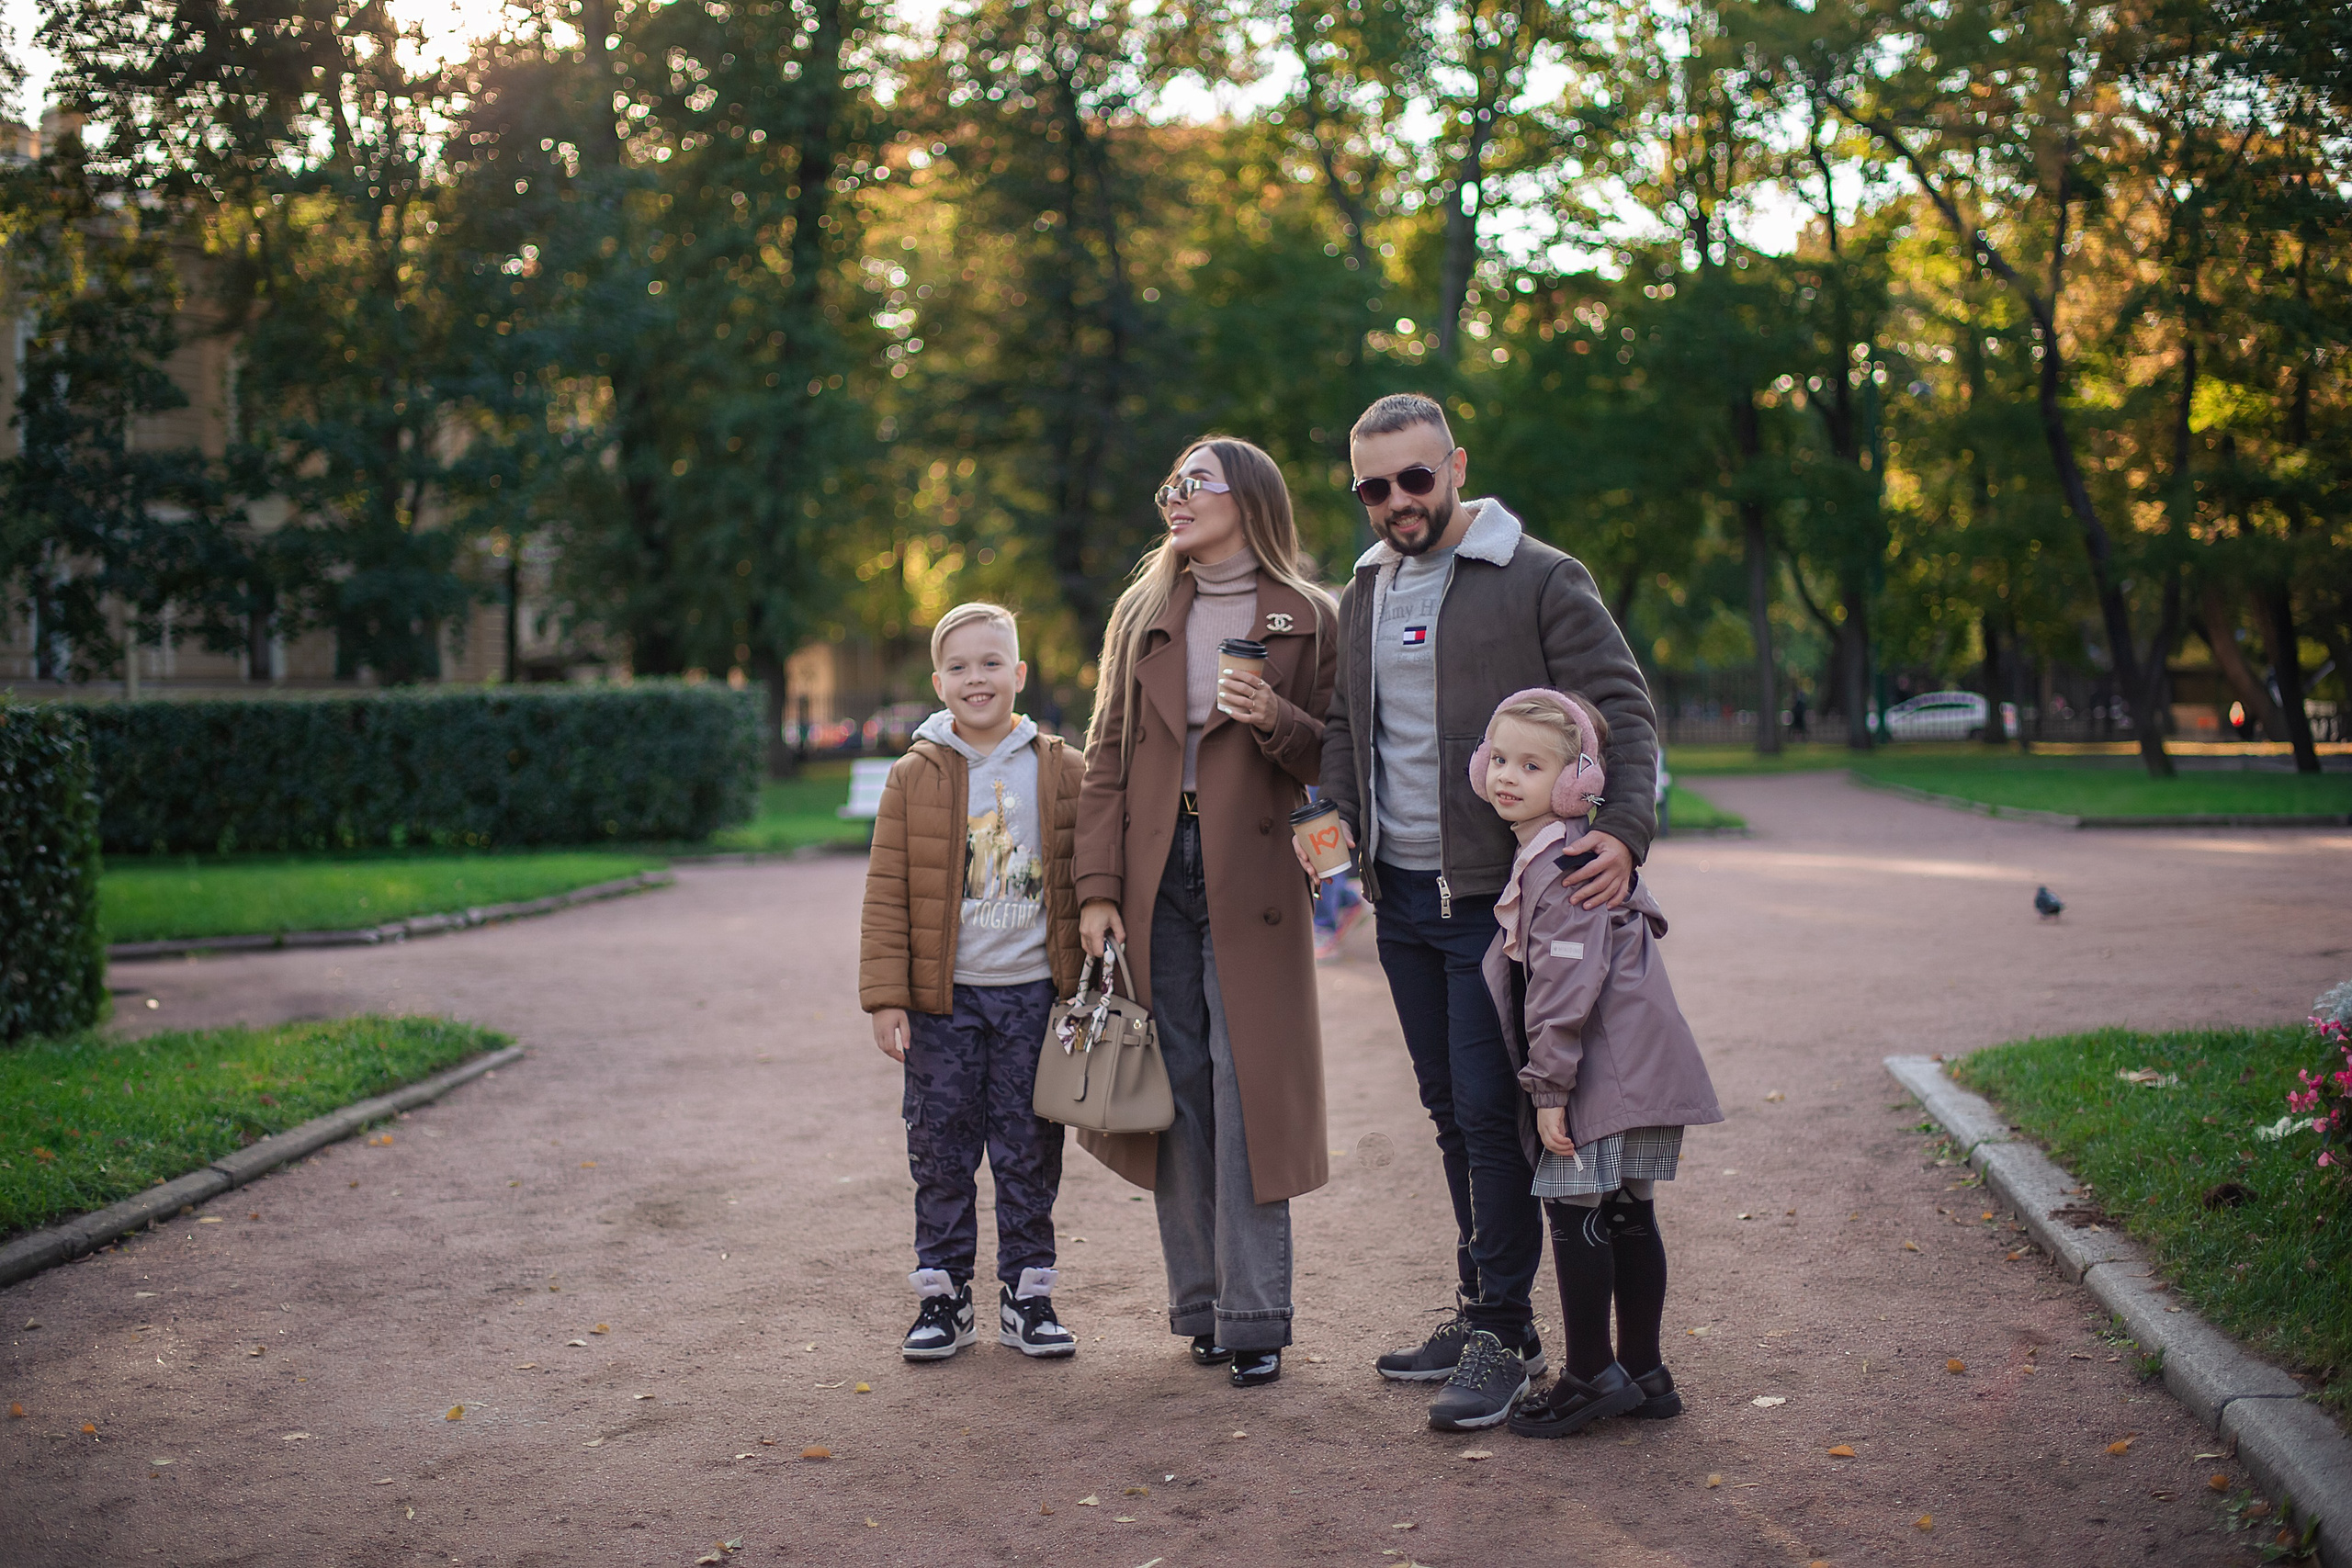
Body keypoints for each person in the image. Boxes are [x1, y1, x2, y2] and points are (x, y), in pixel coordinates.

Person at [1314, 391, 1661, 1433]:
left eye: (1414, 478)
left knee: (1487, 1112)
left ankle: (1505, 1333)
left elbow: (1625, 708)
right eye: (1372, 487)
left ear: (1455, 465)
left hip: (1503, 904)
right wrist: (1333, 835)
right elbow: (1344, 726)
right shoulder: (1363, 591)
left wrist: (1626, 831)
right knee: (1446, 1110)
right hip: (1402, 896)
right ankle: (1483, 1308)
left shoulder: (1540, 577)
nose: (1395, 502)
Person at [1074, 435, 1337, 1389]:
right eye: (1168, 485)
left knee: (1247, 1085)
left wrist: (1272, 715)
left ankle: (1255, 1311)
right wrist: (1095, 890)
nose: (1174, 500)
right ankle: (1201, 1304)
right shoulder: (1143, 610)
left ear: (1249, 498)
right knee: (1173, 1082)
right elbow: (1105, 758)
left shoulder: (1308, 616)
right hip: (1153, 874)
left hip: (1255, 873)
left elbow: (1332, 762)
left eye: (1194, 484)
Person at [1463, 689, 1722, 1438]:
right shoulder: (1569, 854)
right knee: (1631, 1207)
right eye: (1500, 758)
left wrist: (1550, 1089)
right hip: (1642, 1064)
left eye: (1532, 764)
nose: (1507, 776)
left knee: (1576, 1204)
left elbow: (1563, 990)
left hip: (1602, 1071)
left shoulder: (1560, 866)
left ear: (1577, 782)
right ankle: (1644, 1370)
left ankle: (1588, 1374)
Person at [859, 602, 1086, 1362]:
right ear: (938, 681)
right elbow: (887, 889)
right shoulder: (914, 775)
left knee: (1029, 1149)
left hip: (1033, 995)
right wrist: (887, 994)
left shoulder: (1060, 766)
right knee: (942, 1150)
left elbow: (1089, 874)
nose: (976, 678)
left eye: (991, 663)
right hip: (942, 1001)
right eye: (959, 666)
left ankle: (1029, 1293)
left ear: (1019, 674)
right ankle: (943, 1295)